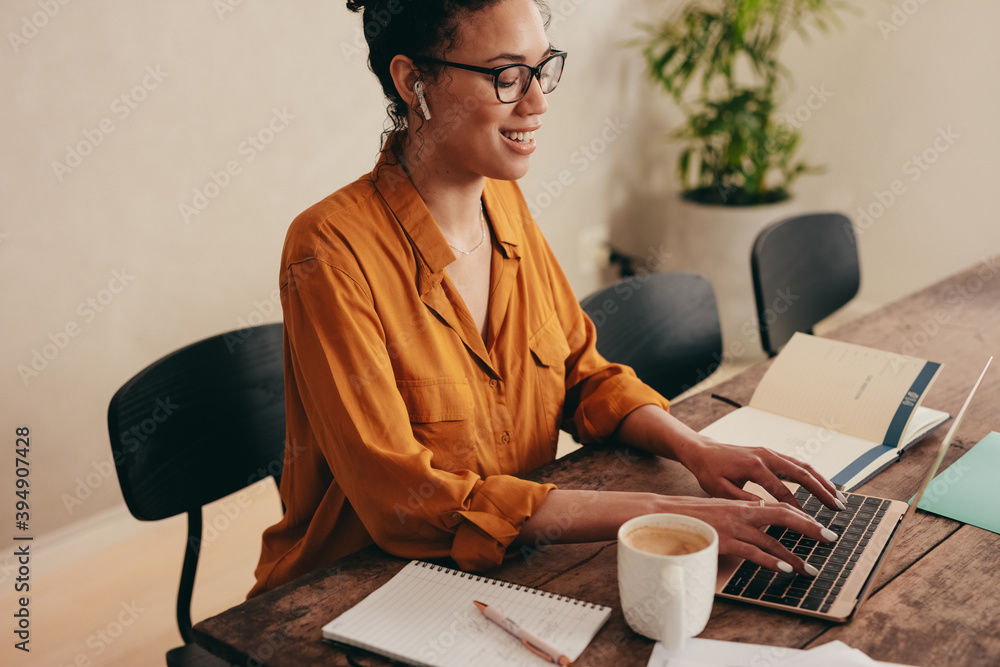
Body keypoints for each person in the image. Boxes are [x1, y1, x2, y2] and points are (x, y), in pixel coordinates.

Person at [249, 0, 845, 598]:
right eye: (506, 75)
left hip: (509, 570)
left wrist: (697, 448)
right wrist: (657, 511)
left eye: (543, 69)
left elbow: (584, 377)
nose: (536, 103)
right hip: (355, 591)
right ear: (413, 81)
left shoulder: (502, 203)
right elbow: (404, 501)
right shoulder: (328, 249)